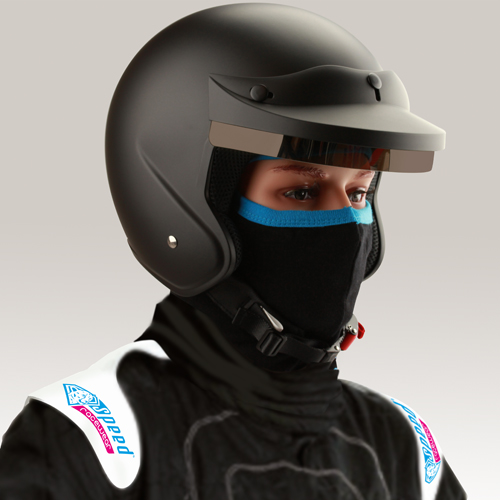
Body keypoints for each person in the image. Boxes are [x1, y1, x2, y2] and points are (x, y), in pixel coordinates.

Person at [0, 4, 467, 499]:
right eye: (301, 192)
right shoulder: (96, 442)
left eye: (358, 193)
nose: (347, 229)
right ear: (190, 208)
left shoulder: (401, 447)